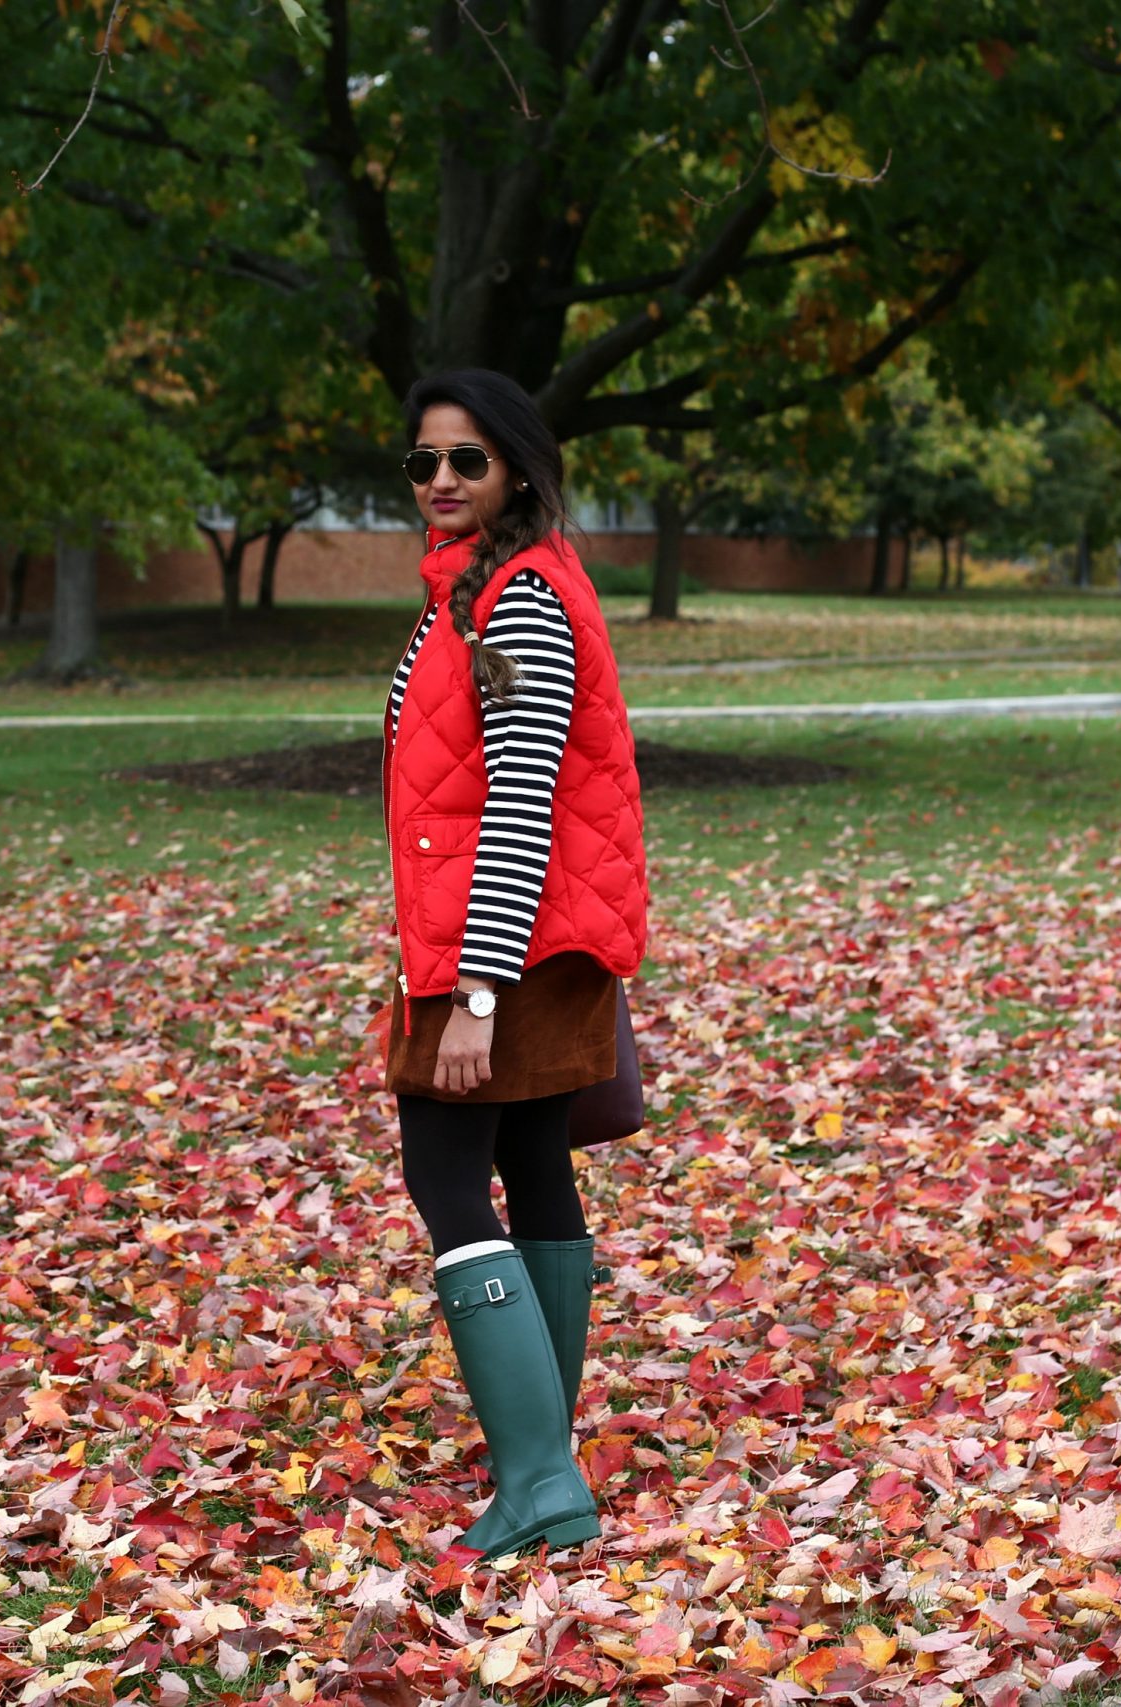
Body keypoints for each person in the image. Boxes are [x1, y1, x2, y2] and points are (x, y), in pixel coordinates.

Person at [382, 368, 649, 1563]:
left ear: (520, 472)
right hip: (528, 941)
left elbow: (524, 801)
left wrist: (475, 993)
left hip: (509, 950)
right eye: (423, 462)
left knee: (446, 1182)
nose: (440, 481)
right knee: (534, 1170)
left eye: (466, 461)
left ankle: (540, 1479)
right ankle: (540, 1470)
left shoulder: (519, 602)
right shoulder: (478, 589)